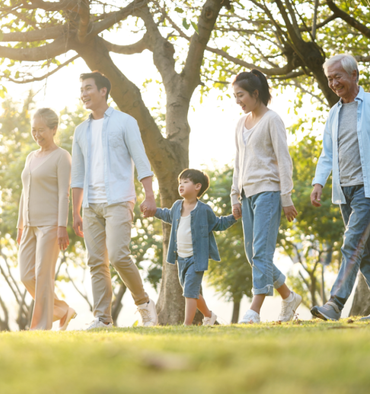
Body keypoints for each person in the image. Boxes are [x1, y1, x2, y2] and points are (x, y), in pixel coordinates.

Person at [310, 54, 370, 321]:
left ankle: (334, 304)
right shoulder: (334, 113)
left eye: (337, 76)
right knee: (365, 250)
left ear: (354, 75)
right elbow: (327, 153)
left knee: (352, 243)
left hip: (369, 187)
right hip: (344, 190)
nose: (333, 83)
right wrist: (319, 182)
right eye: (330, 78)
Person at [71, 71, 159, 330]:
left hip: (119, 199)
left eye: (88, 88)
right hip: (90, 205)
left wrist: (149, 194)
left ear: (103, 91)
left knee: (119, 256)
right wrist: (75, 212)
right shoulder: (80, 131)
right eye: (81, 89)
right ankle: (103, 318)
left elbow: (141, 159)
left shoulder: (124, 121)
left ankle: (144, 305)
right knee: (96, 261)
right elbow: (77, 174)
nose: (84, 94)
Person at [230, 69, 303, 324]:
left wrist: (286, 197)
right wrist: (234, 196)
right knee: (253, 255)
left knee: (261, 252)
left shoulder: (273, 120)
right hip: (247, 193)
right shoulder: (241, 124)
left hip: (269, 192)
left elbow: (284, 160)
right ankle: (288, 296)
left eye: (241, 95)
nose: (238, 100)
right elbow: (239, 162)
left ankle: (254, 310)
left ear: (255, 93)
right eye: (235, 96)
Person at [148, 169, 238, 326]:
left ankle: (187, 325)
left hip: (197, 258)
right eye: (180, 182)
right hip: (180, 258)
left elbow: (218, 224)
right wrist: (153, 211)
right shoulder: (177, 206)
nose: (181, 185)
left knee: (189, 291)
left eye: (185, 182)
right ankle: (209, 316)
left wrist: (234, 217)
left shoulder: (204, 210)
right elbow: (167, 215)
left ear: (197, 187)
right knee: (193, 291)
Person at [17, 108, 77, 331]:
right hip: (29, 225)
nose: (37, 134)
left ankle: (40, 327)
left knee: (43, 276)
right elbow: (25, 192)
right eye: (34, 130)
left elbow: (64, 193)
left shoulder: (62, 157)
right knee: (25, 275)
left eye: (41, 130)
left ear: (54, 129)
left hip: (51, 225)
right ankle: (62, 310)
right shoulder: (30, 157)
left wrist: (62, 226)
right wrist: (20, 224)